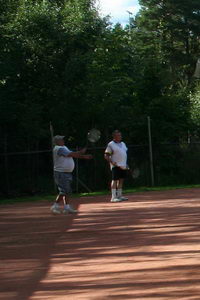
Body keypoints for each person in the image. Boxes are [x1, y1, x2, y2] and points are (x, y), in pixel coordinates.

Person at [50, 135, 92, 214]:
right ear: (57, 142)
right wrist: (82, 153)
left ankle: (67, 208)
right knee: (64, 191)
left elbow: (72, 155)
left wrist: (83, 156)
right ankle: (55, 206)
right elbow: (72, 154)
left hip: (66, 173)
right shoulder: (59, 149)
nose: (63, 140)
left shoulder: (64, 147)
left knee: (67, 191)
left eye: (62, 139)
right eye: (61, 139)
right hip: (60, 173)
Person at [104, 130, 128, 202]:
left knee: (121, 181)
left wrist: (125, 163)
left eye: (120, 135)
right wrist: (112, 162)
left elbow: (124, 154)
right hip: (115, 165)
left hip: (123, 165)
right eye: (118, 135)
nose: (120, 136)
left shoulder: (123, 143)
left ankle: (119, 196)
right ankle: (113, 197)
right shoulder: (111, 144)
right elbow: (106, 155)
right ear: (114, 137)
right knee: (114, 180)